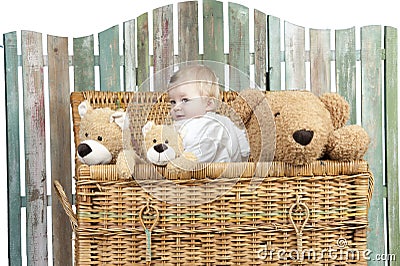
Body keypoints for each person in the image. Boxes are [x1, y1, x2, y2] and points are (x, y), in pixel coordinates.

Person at [167, 64, 250, 163]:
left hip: (217, 174)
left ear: (208, 104)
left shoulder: (209, 125)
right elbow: (243, 146)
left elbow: (202, 153)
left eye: (185, 100)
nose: (176, 107)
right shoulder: (186, 123)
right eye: (173, 102)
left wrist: (179, 163)